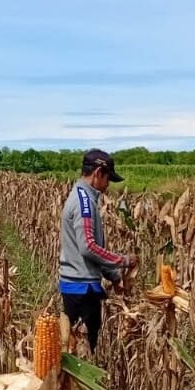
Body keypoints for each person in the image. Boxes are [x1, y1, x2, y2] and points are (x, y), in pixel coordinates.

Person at [58, 149, 139, 354]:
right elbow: (88, 247)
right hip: (81, 290)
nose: (108, 184)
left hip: (79, 287)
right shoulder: (84, 203)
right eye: (107, 178)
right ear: (97, 173)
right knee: (81, 356)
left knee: (79, 352)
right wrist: (124, 260)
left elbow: (90, 251)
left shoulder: (83, 197)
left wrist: (113, 276)